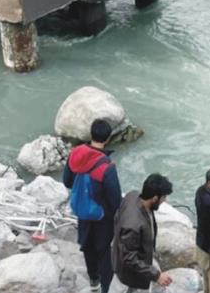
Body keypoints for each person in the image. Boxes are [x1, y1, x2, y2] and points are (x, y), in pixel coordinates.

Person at [63, 119, 122, 292]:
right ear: (107, 139)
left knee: (87, 245)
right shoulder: (107, 167)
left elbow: (67, 181)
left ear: (91, 134)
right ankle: (105, 288)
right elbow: (115, 199)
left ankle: (93, 280)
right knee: (103, 251)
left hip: (82, 210)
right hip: (102, 216)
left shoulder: (75, 154)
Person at [109, 174, 174, 293]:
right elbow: (129, 259)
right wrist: (156, 275)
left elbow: (117, 218)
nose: (164, 200)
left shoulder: (132, 196)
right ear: (155, 198)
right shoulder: (133, 225)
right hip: (127, 276)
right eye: (163, 197)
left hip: (133, 264)